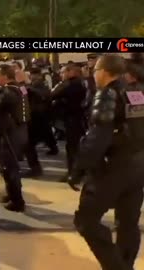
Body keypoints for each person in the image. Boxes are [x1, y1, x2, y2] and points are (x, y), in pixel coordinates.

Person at [68, 55, 144, 270]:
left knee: (86, 220)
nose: (93, 75)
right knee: (128, 222)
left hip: (113, 167)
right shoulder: (137, 92)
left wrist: (78, 170)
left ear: (104, 71)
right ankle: (125, 264)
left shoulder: (108, 94)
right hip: (138, 165)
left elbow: (97, 138)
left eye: (95, 71)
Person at [0, 64, 30, 212]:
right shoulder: (20, 89)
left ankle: (17, 201)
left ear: (4, 76)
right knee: (10, 166)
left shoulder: (7, 91)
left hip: (10, 133)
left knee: (10, 168)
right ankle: (12, 195)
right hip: (20, 131)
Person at [51, 64, 87, 182]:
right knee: (76, 147)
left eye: (63, 72)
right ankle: (77, 172)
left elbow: (52, 95)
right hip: (77, 118)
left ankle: (73, 174)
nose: (61, 75)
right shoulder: (80, 83)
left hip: (73, 119)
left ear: (70, 72)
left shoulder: (70, 84)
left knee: (72, 148)